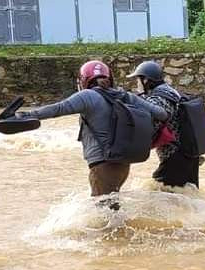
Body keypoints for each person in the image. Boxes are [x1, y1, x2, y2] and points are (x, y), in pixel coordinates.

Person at [22, 60, 169, 198]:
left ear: (84, 80)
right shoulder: (124, 95)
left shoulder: (87, 96)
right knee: (110, 209)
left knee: (104, 215)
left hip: (102, 165)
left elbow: (58, 109)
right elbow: (161, 114)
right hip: (123, 164)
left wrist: (25, 116)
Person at [127, 60, 201, 189]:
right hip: (187, 154)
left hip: (175, 156)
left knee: (160, 194)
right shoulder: (169, 92)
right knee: (186, 197)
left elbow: (155, 120)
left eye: (138, 79)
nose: (137, 84)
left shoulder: (160, 98)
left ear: (146, 80)